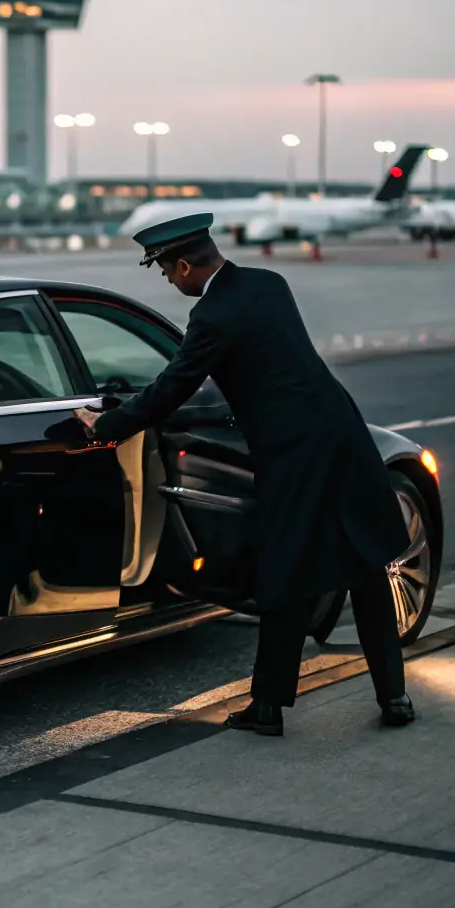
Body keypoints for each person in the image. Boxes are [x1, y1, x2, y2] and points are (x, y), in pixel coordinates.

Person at [74, 212, 415, 737]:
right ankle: (394, 697)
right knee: (366, 565)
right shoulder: (268, 283)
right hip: (343, 437)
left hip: (293, 455)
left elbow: (172, 388)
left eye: (165, 271)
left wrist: (107, 426)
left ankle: (268, 707)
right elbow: (271, 365)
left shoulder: (213, 316)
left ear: (183, 266)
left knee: (285, 576)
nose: (168, 281)